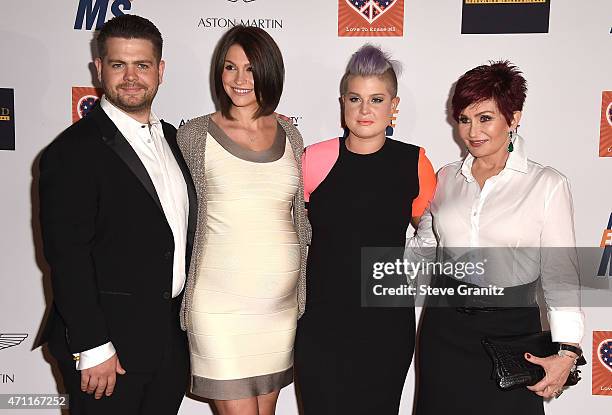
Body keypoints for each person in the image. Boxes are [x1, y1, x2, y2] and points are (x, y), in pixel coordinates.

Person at [38, 15, 195, 414]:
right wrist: (92, 345)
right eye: (118, 64)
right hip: (108, 351)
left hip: (168, 343)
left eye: (142, 65)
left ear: (160, 71)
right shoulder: (71, 151)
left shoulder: (175, 139)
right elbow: (67, 257)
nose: (130, 77)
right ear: (98, 69)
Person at [407, 61, 584, 414]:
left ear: (514, 118)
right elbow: (423, 248)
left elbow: (560, 274)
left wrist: (568, 351)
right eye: (464, 119)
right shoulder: (444, 178)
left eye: (485, 118)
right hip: (444, 330)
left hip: (513, 333)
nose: (472, 131)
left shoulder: (546, 184)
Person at [294, 45, 437, 415]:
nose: (364, 110)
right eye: (355, 98)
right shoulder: (314, 157)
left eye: (377, 99)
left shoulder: (414, 162)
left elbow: (435, 240)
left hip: (386, 325)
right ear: (342, 102)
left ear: (394, 105)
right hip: (321, 321)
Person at [176, 25, 308, 415]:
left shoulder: (290, 133)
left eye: (250, 69)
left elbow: (298, 217)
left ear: (270, 72)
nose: (239, 79)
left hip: (278, 309)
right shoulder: (195, 135)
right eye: (230, 67)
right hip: (219, 306)